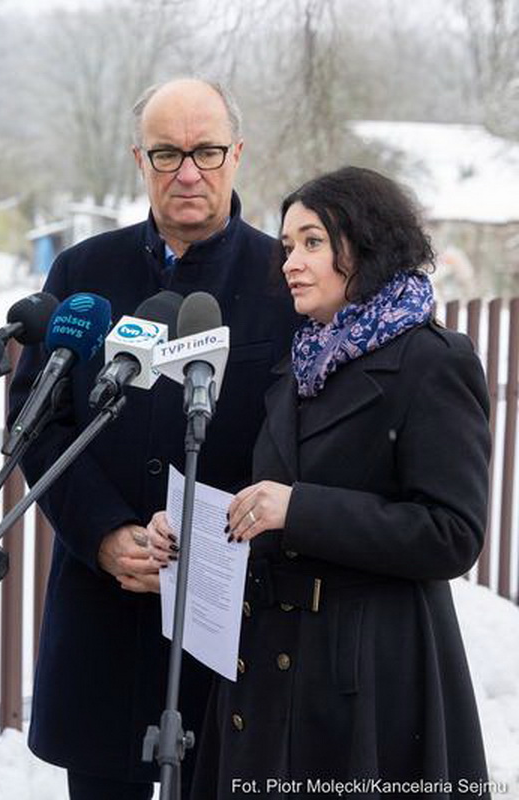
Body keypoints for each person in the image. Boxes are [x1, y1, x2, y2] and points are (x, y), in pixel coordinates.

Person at [8, 78, 300, 799]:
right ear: (140, 160)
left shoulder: (282, 280)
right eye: (167, 154)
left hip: (230, 621)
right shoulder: (83, 272)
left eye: (205, 151)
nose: (188, 173)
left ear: (239, 154)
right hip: (104, 614)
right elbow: (39, 430)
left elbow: (300, 443)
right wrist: (104, 534)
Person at [183, 166, 491, 797]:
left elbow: (452, 534)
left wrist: (301, 510)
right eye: (287, 245)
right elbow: (264, 503)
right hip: (267, 666)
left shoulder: (434, 362)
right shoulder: (302, 363)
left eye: (312, 242)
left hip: (368, 678)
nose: (291, 262)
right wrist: (189, 529)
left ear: (367, 244)